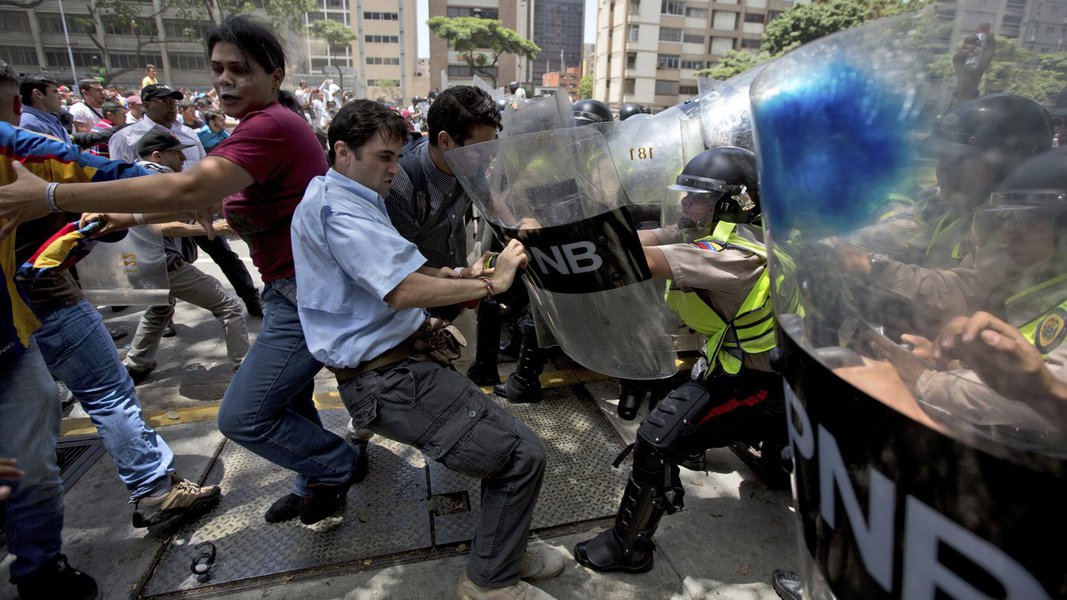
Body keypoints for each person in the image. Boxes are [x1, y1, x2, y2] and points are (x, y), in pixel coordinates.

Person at [0, 15, 364, 527]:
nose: (224, 80)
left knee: (243, 416)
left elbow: (189, 189)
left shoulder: (273, 127)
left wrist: (51, 195)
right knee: (289, 399)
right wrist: (126, 216)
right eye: (217, 68)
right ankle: (317, 484)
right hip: (291, 291)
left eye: (240, 69)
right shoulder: (258, 129)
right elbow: (208, 209)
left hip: (307, 294)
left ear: (275, 76)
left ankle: (339, 464)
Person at [291, 98, 563, 600]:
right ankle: (490, 582)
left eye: (397, 156)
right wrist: (491, 284)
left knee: (505, 448)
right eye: (384, 157)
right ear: (343, 151)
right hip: (390, 379)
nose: (395, 168)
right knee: (520, 455)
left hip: (402, 365)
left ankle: (504, 547)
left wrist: (457, 273)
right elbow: (401, 290)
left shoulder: (349, 195)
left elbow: (405, 270)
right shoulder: (341, 210)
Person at [573, 147, 791, 574]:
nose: (686, 204)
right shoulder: (738, 234)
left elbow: (633, 260)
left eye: (698, 197)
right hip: (756, 367)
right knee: (676, 404)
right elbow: (646, 238)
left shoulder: (728, 255)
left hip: (762, 384)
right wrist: (572, 236)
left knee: (658, 438)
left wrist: (565, 250)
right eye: (686, 194)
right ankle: (759, 448)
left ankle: (628, 549)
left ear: (733, 203)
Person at [0, 60, 100, 600]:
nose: (17, 117)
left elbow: (96, 176)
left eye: (16, 103)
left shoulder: (27, 154)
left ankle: (39, 570)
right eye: (9, 106)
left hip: (11, 344)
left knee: (34, 466)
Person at [494, 98, 617, 403]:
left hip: (597, 250)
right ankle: (525, 375)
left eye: (588, 133)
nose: (579, 138)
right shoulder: (559, 158)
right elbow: (517, 192)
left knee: (541, 312)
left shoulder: (606, 161)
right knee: (533, 306)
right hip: (565, 245)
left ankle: (524, 380)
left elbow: (608, 199)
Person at [110, 83, 263, 317]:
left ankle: (252, 300)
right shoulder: (127, 137)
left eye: (173, 101)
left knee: (225, 255)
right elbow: (118, 180)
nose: (171, 106)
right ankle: (163, 317)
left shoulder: (188, 133)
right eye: (164, 101)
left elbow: (204, 167)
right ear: (147, 104)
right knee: (165, 267)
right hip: (154, 216)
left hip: (195, 209)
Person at [122, 130, 249, 381]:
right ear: (157, 155)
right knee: (229, 307)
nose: (182, 157)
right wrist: (210, 227)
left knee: (160, 309)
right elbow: (160, 227)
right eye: (176, 152)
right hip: (162, 264)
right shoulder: (156, 181)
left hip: (138, 263)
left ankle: (136, 364)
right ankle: (244, 370)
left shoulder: (133, 176)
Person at [17, 75, 70, 144]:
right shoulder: (29, 125)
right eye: (55, 92)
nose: (60, 97)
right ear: (38, 94)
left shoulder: (49, 117)